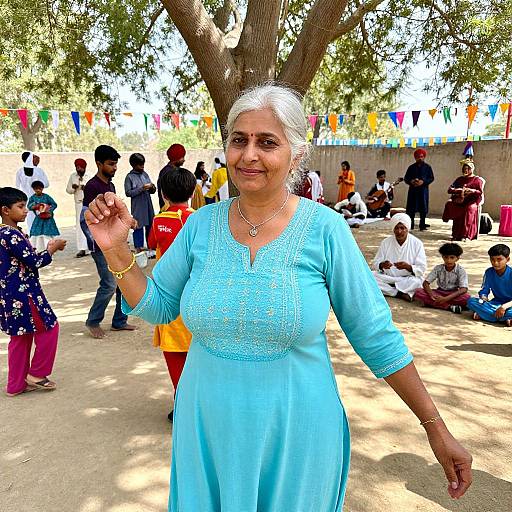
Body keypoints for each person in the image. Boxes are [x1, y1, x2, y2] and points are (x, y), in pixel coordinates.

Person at [85, 84, 472, 511]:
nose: (249, 154)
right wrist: (116, 250)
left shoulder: (325, 230)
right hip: (206, 430)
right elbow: (158, 305)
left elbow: (376, 336)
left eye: (267, 142)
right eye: (239, 140)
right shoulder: (199, 226)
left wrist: (434, 426)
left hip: (297, 435)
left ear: (296, 155)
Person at [1, 187, 66, 396]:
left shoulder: (5, 233)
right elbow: (34, 261)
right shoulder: (11, 234)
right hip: (24, 294)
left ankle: (16, 385)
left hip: (9, 295)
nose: (25, 210)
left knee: (21, 337)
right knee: (50, 328)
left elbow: (23, 260)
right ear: (5, 210)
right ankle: (37, 374)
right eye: (20, 207)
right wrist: (51, 249)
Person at [147, 167, 196, 421]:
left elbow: (151, 242)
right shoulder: (198, 218)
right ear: (192, 191)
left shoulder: (159, 220)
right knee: (198, 354)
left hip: (169, 295)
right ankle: (197, 405)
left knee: (175, 355)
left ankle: (183, 405)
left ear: (163, 193)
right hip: (196, 294)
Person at [81, 145, 136, 339]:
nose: (114, 168)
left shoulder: (110, 186)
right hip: (100, 245)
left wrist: (127, 222)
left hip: (115, 243)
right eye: (111, 164)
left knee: (122, 282)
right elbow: (85, 218)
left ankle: (119, 321)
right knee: (109, 285)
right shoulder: (92, 186)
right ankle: (93, 321)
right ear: (99, 164)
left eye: (115, 164)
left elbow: (111, 215)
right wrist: (98, 243)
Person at [372, 213, 427, 301]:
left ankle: (390, 290)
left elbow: (422, 268)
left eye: (402, 228)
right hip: (387, 278)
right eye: (396, 228)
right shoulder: (386, 242)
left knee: (418, 282)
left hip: (407, 279)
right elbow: (375, 264)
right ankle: (397, 293)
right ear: (393, 229)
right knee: (370, 277)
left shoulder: (417, 243)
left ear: (407, 229)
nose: (399, 231)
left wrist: (408, 267)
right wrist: (382, 265)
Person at [414, 243, 470, 313]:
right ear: (442, 257)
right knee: (418, 292)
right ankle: (449, 307)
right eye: (446, 257)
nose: (448, 260)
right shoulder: (438, 268)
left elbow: (464, 289)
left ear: (457, 258)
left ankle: (435, 303)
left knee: (467, 298)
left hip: (453, 294)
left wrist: (446, 298)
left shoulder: (461, 270)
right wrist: (432, 295)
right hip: (439, 292)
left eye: (452, 257)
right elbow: (426, 283)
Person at [467, 244, 512, 326]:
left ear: (507, 259)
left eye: (499, 259)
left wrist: (503, 307)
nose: (495, 263)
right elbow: (484, 291)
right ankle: (502, 318)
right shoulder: (489, 272)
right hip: (495, 303)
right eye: (492, 259)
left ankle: (486, 315)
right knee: (471, 301)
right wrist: (484, 298)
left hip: (509, 305)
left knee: (509, 311)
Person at [442, 161, 484, 241]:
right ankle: (456, 234)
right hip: (460, 201)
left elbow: (480, 192)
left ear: (472, 169)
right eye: (464, 169)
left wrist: (472, 191)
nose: (466, 170)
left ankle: (466, 235)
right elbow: (450, 189)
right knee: (450, 204)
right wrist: (460, 190)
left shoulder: (477, 180)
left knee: (469, 209)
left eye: (468, 169)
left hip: (472, 202)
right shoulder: (459, 179)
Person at [124, 153, 156, 253]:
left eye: (143, 164)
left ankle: (151, 246)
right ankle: (139, 247)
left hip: (148, 204)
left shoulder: (145, 174)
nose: (142, 167)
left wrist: (152, 187)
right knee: (138, 225)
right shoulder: (129, 177)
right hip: (137, 205)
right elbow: (128, 193)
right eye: (140, 165)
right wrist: (142, 188)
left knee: (151, 224)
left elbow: (152, 190)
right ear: (133, 165)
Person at [15, 152, 50, 232]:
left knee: (30, 221)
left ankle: (32, 241)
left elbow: (17, 187)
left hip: (27, 200)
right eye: (34, 157)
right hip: (39, 198)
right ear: (30, 159)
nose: (37, 157)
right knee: (41, 219)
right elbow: (47, 184)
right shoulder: (39, 170)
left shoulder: (20, 172)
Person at [404, 148, 434, 230]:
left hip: (423, 191)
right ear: (415, 157)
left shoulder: (428, 167)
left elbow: (431, 178)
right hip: (413, 191)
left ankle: (422, 224)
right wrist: (412, 181)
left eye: (421, 156)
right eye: (418, 157)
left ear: (424, 157)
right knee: (411, 208)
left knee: (423, 208)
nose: (420, 158)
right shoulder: (411, 167)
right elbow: (406, 178)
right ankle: (411, 224)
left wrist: (423, 182)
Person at [66, 158, 90, 257]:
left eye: (80, 167)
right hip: (78, 204)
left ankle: (91, 247)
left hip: (88, 203)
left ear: (84, 168)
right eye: (77, 167)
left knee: (90, 224)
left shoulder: (89, 176)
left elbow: (94, 189)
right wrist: (73, 188)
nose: (79, 169)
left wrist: (86, 188)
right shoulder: (73, 176)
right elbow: (68, 190)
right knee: (80, 225)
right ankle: (82, 249)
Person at [27, 181, 60, 252]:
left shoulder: (46, 197)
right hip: (39, 218)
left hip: (48, 219)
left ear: (42, 189)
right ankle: (39, 247)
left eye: (39, 188)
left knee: (47, 233)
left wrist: (48, 210)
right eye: (36, 189)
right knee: (37, 233)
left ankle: (49, 246)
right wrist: (35, 206)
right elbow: (29, 206)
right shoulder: (32, 198)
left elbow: (54, 204)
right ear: (33, 189)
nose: (38, 190)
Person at [157, 144, 186, 209]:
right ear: (176, 158)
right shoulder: (168, 172)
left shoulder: (173, 170)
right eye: (182, 157)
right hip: (170, 209)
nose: (184, 160)